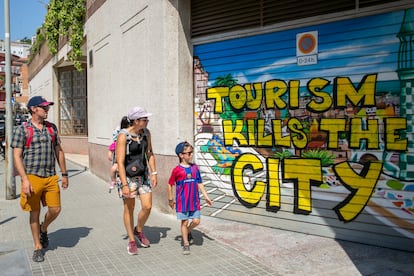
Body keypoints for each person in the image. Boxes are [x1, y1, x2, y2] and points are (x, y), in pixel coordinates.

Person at [11, 96, 69, 262]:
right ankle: (37, 246)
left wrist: (64, 174)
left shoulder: (52, 128)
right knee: (34, 212)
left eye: (48, 107)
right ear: (34, 109)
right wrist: (24, 179)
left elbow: (59, 151)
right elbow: (17, 156)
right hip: (32, 177)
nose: (47, 109)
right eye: (44, 107)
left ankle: (44, 228)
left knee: (55, 209)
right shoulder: (22, 129)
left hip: (51, 176)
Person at [116, 106, 157, 255]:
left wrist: (154, 172)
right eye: (144, 119)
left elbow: (150, 153)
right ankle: (132, 241)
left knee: (147, 206)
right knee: (129, 208)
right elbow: (120, 162)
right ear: (135, 120)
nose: (147, 121)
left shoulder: (146, 133)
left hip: (144, 175)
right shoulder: (124, 136)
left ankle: (138, 230)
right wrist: (124, 184)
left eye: (147, 119)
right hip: (127, 177)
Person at [168, 141, 213, 255]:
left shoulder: (195, 168)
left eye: (192, 152)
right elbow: (170, 183)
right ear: (181, 155)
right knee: (184, 222)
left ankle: (187, 231)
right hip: (182, 201)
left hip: (194, 201)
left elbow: (200, 182)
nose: (191, 155)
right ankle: (186, 244)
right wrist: (170, 199)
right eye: (188, 153)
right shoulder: (177, 170)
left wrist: (206, 196)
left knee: (196, 221)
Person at [108, 116, 129, 192]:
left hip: (129, 161)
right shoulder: (117, 142)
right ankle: (113, 181)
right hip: (118, 161)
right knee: (113, 169)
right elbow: (111, 148)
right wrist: (110, 153)